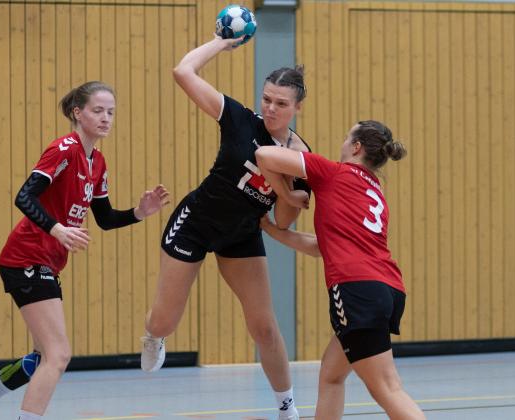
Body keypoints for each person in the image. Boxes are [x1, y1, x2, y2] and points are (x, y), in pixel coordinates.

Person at [0, 81, 170, 420]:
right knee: (59, 354)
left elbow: (106, 219)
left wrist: (140, 213)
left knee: (42, 357)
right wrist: (57, 229)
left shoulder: (98, 162)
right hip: (25, 257)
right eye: (97, 110)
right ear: (77, 113)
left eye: (111, 112)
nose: (106, 118)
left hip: (47, 263)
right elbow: (24, 196)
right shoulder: (64, 149)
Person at [139, 35, 310, 420]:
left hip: (241, 234)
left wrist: (290, 197)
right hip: (196, 224)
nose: (271, 108)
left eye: (281, 103)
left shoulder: (302, 158)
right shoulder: (239, 119)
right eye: (267, 98)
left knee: (264, 327)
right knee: (165, 319)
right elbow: (183, 71)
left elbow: (281, 222)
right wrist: (221, 43)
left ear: (298, 107)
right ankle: (153, 335)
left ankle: (286, 407)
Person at [255, 120, 425, 419]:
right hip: (387, 289)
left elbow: (265, 156)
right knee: (331, 375)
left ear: (357, 147)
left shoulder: (332, 171)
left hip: (356, 290)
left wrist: (286, 194)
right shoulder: (375, 192)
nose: (343, 142)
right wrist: (272, 230)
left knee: (387, 388)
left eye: (348, 137)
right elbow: (324, 248)